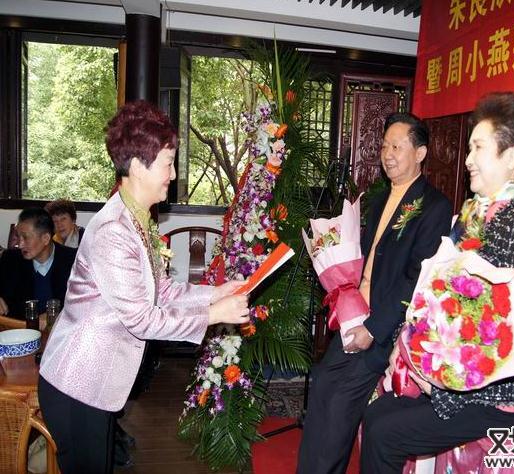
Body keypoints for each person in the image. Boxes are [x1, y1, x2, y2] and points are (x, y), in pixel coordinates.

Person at [38, 100, 250, 474]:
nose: (173, 174)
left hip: (98, 382)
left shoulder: (137, 219)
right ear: (138, 166)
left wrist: (217, 292)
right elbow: (141, 318)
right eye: (168, 163)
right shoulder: (114, 231)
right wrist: (214, 314)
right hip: (77, 381)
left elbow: (161, 291)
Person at [360, 92, 514, 473]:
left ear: (512, 157)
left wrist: (439, 388)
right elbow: (435, 291)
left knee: (386, 433)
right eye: (469, 148)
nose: (467, 159)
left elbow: (505, 340)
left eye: (478, 148)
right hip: (459, 374)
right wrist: (406, 346)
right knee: (377, 414)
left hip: (498, 393)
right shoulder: (476, 214)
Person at [297, 112, 452, 473]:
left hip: (386, 328)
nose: (387, 154)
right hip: (356, 315)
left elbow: (416, 278)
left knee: (340, 405)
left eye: (397, 146)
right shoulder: (379, 199)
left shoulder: (434, 206)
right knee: (322, 385)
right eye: (384, 146)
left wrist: (374, 328)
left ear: (420, 153)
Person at [0, 208, 77, 319]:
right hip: (19, 328)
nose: (20, 244)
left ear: (46, 238)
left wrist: (57, 315)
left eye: (25, 238)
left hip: (61, 328)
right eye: (18, 237)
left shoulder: (73, 261)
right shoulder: (10, 259)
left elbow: (83, 302)